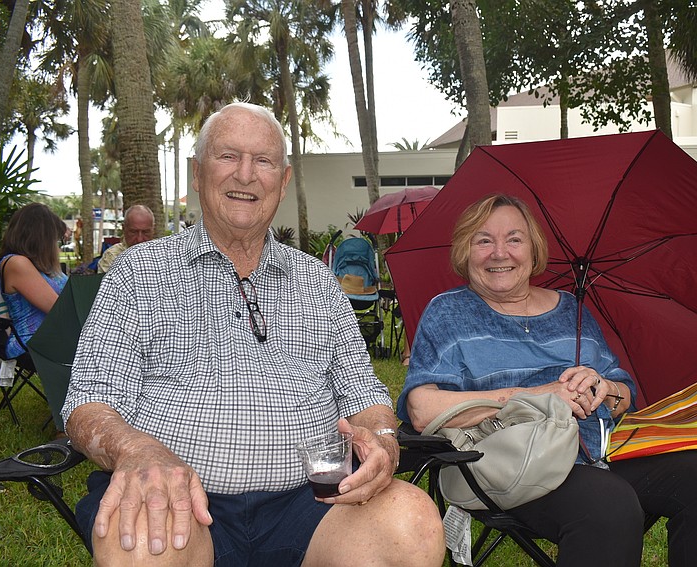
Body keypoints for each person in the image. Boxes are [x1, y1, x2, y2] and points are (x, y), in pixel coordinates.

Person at [62, 102, 444, 567]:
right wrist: (137, 450)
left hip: (314, 502)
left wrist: (382, 437)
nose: (245, 175)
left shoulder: (318, 282)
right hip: (180, 492)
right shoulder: (137, 275)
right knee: (144, 543)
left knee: (412, 522)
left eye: (263, 161)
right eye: (228, 156)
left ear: (282, 183)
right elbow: (88, 402)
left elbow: (363, 392)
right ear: (199, 174)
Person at [397, 194, 697, 567]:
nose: (500, 253)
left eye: (514, 239)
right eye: (484, 240)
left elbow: (624, 395)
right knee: (608, 504)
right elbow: (421, 408)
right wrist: (536, 396)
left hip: (596, 455)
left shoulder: (571, 309)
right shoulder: (449, 312)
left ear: (533, 250)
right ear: (466, 252)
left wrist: (604, 388)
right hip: (509, 462)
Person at [0, 202, 69, 360]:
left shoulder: (39, 266)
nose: (56, 246)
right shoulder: (17, 264)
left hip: (54, 339)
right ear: (41, 237)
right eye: (55, 239)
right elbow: (59, 310)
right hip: (31, 343)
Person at [97, 204, 155, 273]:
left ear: (153, 230)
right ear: (124, 229)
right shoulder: (112, 256)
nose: (140, 239)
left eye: (145, 232)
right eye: (134, 232)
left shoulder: (162, 255)